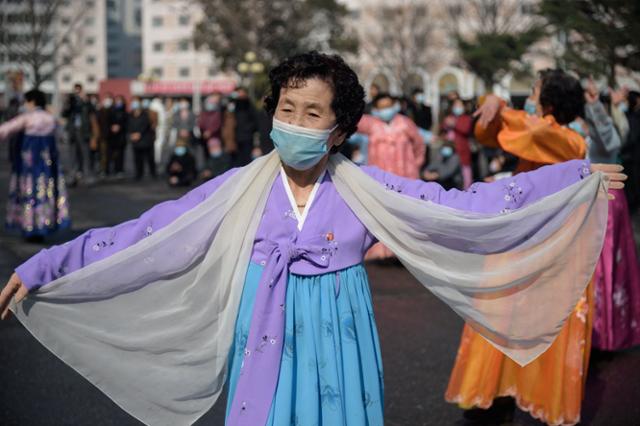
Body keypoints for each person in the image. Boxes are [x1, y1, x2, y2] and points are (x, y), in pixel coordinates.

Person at [0, 52, 625, 426]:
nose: (293, 124)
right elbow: (150, 232)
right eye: (286, 109)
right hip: (263, 333)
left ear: (337, 129)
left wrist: (572, 178)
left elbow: (467, 205)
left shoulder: (366, 190)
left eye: (311, 113)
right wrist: (48, 265)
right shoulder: (240, 187)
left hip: (340, 339)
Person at [445, 69, 631, 425]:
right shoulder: (543, 134)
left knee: (545, 326)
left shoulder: (568, 140)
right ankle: (496, 396)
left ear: (548, 102)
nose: (528, 98)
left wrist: (499, 106)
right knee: (502, 318)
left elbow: (529, 131)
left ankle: (535, 398)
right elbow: (489, 132)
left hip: (553, 249)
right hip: (522, 241)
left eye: (533, 91)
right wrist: (492, 106)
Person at [357, 92, 425, 260]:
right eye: (381, 107)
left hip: (405, 177)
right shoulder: (371, 124)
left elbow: (419, 144)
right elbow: (350, 121)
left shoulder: (405, 124)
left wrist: (414, 165)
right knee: (380, 213)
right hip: (379, 178)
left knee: (404, 215)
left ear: (395, 105)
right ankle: (382, 251)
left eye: (388, 106)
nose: (385, 110)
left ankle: (405, 252)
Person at [0, 89, 70, 240]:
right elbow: (61, 136)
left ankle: (30, 225)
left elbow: (5, 130)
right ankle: (44, 224)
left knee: (29, 194)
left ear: (32, 101)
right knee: (46, 193)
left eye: (26, 101)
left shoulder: (28, 118)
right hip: (47, 166)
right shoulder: (50, 119)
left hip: (29, 166)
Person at [62, 83, 100, 185]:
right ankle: (73, 176)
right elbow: (64, 114)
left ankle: (87, 176)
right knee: (72, 155)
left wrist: (86, 101)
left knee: (86, 154)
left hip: (84, 131)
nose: (77, 93)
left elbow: (94, 113)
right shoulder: (71, 102)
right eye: (75, 91)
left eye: (79, 91)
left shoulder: (86, 103)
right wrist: (67, 103)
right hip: (73, 131)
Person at [127, 96, 156, 180]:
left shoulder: (145, 114)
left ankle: (153, 173)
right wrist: (132, 134)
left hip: (146, 139)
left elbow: (147, 125)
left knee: (149, 158)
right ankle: (139, 174)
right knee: (137, 159)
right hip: (135, 141)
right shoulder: (130, 115)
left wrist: (139, 133)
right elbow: (128, 125)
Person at [228, 87, 259, 167]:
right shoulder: (233, 104)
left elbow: (255, 121)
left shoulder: (249, 105)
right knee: (236, 162)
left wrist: (248, 129)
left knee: (246, 161)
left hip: (247, 138)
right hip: (235, 138)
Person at [107, 95, 128, 177]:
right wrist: (112, 127)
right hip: (112, 137)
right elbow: (107, 122)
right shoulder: (111, 111)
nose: (118, 102)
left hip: (121, 137)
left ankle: (120, 169)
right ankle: (112, 169)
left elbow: (127, 123)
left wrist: (120, 127)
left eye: (120, 100)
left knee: (120, 154)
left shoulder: (125, 112)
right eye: (117, 100)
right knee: (111, 154)